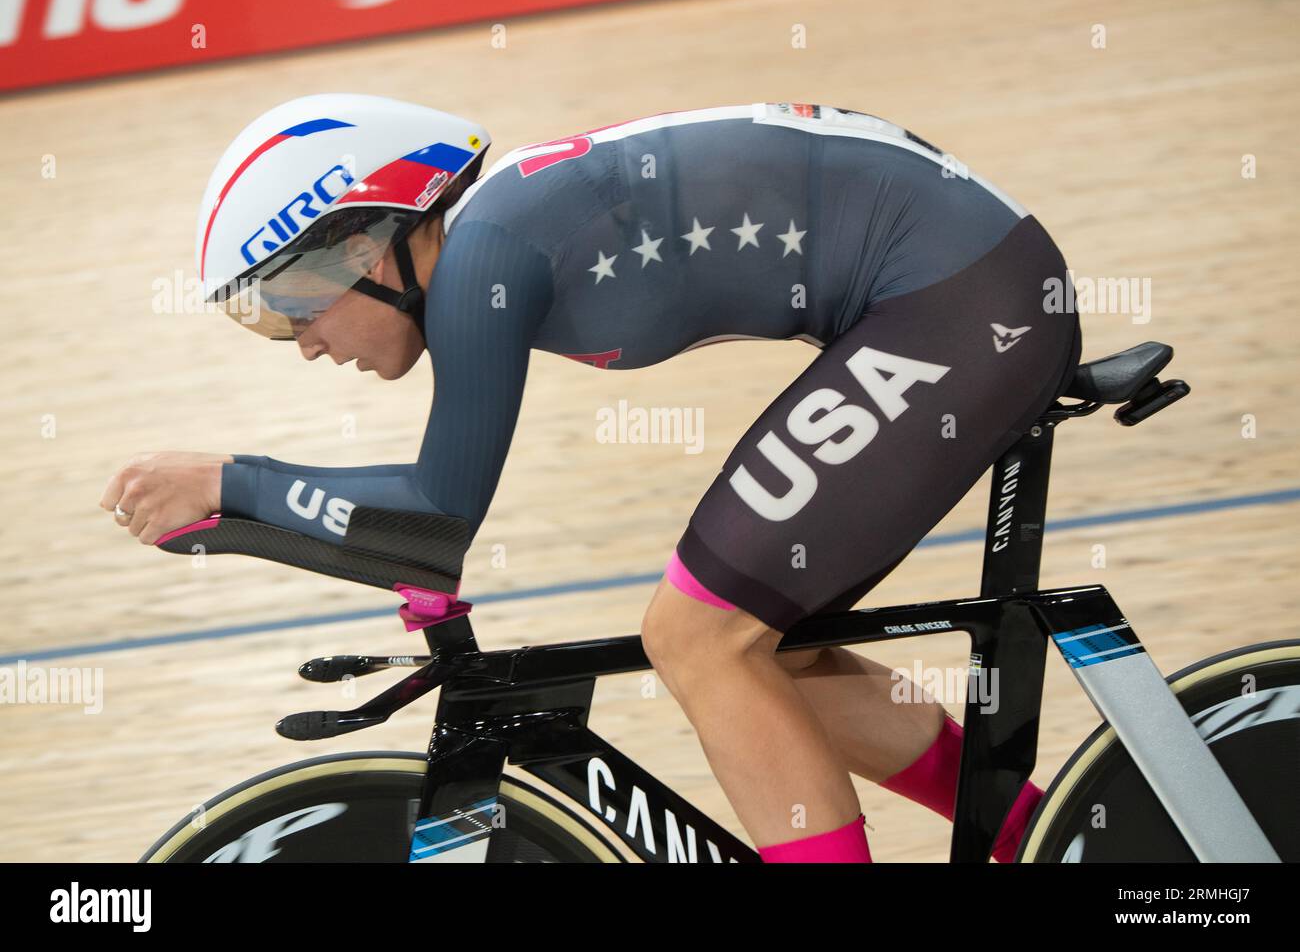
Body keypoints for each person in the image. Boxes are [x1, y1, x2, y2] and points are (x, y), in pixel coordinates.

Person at [104, 94, 1081, 863]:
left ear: (368, 247)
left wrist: (233, 478)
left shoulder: (485, 257)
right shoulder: (490, 240)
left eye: (289, 303)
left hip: (960, 294)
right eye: (264, 320)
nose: (301, 344)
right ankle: (1054, 838)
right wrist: (253, 502)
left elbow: (435, 517)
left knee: (698, 634)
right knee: (761, 645)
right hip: (955, 283)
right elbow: (421, 521)